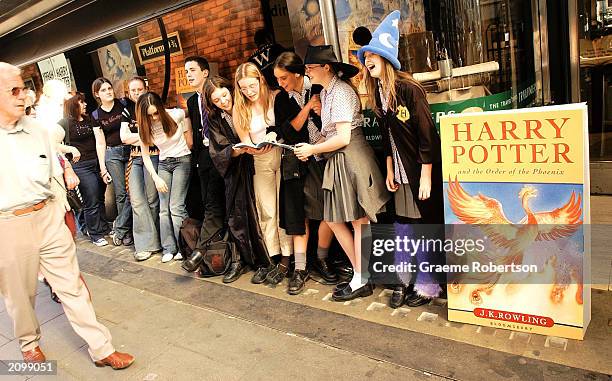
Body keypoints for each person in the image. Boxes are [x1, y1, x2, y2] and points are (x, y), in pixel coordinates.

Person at [0, 61, 134, 369]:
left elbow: (53, 170)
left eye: (26, 89)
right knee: (20, 295)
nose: (24, 96)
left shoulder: (39, 131)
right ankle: (29, 344)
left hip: (48, 216)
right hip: (8, 224)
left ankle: (102, 348)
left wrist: (60, 206)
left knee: (71, 285)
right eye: (15, 90)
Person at [357, 11, 445, 307]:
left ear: (386, 59)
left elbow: (427, 135)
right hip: (401, 171)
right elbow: (386, 137)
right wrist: (389, 168)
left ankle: (429, 286)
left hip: (420, 171)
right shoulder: (378, 91)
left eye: (372, 55)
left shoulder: (410, 89)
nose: (367, 60)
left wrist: (426, 174)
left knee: (424, 226)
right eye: (364, 56)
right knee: (404, 225)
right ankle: (405, 281)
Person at [294, 45, 390, 301]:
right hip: (338, 160)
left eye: (310, 68)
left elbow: (344, 137)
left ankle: (362, 278)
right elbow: (331, 135)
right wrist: (307, 142)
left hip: (351, 157)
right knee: (338, 221)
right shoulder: (327, 94)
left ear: (326, 67)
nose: (307, 73)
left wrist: (312, 147)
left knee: (359, 221)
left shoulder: (342, 92)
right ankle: (361, 274)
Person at [192, 75, 272, 283]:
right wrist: (236, 151)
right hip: (235, 168)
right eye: (217, 101)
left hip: (259, 163)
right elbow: (217, 149)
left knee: (263, 212)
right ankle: (241, 260)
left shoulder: (246, 105)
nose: (223, 102)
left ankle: (268, 260)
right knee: (236, 216)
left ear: (231, 89)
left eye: (225, 96)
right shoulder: (216, 117)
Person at [273, 52, 339, 294]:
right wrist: (308, 108)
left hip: (324, 157)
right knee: (298, 215)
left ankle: (322, 258)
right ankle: (300, 269)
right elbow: (289, 132)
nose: (280, 83)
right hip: (296, 161)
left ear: (298, 73)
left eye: (283, 78)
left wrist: (318, 109)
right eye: (277, 79)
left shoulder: (320, 87)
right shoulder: (281, 99)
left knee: (331, 210)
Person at [233, 62, 294, 284]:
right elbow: (245, 140)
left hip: (283, 155)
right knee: (267, 210)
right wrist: (249, 147)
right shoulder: (240, 108)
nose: (248, 92)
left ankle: (288, 258)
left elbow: (288, 127)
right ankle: (272, 256)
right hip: (259, 159)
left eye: (251, 85)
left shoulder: (276, 96)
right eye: (243, 88)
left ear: (260, 79)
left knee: (285, 208)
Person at [137, 92, 192, 263]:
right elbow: (145, 156)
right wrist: (155, 178)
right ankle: (169, 248)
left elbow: (189, 119)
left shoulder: (175, 114)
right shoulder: (144, 126)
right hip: (163, 164)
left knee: (176, 207)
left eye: (156, 113)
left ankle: (184, 248)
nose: (154, 117)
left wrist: (189, 138)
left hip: (182, 160)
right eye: (149, 115)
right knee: (163, 209)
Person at [183, 56, 226, 265]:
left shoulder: (217, 95)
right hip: (203, 157)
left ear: (205, 72)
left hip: (224, 154)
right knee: (209, 202)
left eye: (192, 70)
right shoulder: (192, 101)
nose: (189, 75)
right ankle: (208, 250)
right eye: (186, 71)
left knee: (219, 202)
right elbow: (194, 135)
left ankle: (202, 250)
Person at [120, 76, 162, 261]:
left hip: (154, 156)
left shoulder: (153, 106)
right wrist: (144, 136)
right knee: (137, 201)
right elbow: (124, 138)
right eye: (133, 91)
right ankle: (145, 245)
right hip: (135, 158)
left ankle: (158, 242)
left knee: (153, 200)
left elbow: (158, 136)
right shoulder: (127, 111)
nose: (137, 93)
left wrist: (138, 136)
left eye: (139, 89)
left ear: (146, 88)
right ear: (129, 93)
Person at [59, 93, 109, 246]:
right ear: (73, 105)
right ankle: (94, 234)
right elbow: (51, 143)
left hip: (96, 162)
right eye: (81, 102)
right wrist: (71, 148)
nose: (85, 104)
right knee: (91, 199)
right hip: (80, 166)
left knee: (100, 197)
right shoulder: (64, 123)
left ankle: (103, 227)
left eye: (84, 101)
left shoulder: (89, 119)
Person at [91, 77, 133, 246]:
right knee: (121, 193)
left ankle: (121, 226)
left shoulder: (123, 104)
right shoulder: (95, 115)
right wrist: (103, 168)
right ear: (97, 94)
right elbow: (100, 142)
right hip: (112, 154)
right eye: (103, 90)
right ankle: (126, 231)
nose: (108, 92)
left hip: (130, 149)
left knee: (133, 193)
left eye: (109, 88)